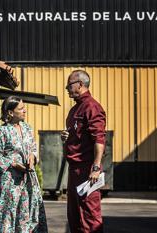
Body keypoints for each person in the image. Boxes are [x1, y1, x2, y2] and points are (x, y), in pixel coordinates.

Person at [0, 96, 48, 233]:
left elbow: (33, 148)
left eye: (24, 107)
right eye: (20, 108)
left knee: (27, 215)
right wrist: (13, 164)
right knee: (7, 216)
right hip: (9, 182)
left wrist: (32, 157)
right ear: (10, 112)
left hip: (28, 181)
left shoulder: (27, 128)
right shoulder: (2, 131)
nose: (25, 111)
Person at [60, 70, 106, 233]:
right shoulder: (75, 110)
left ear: (80, 84)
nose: (66, 88)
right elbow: (79, 136)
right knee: (74, 216)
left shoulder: (92, 107)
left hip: (87, 170)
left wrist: (95, 167)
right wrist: (67, 136)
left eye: (69, 85)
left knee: (89, 216)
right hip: (74, 169)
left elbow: (99, 139)